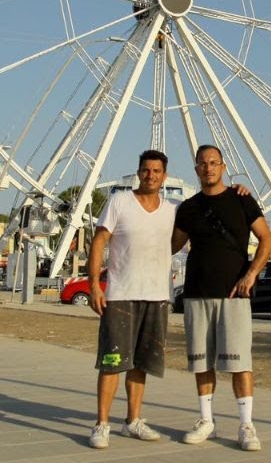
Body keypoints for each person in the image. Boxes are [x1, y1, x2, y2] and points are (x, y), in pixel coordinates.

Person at [172, 144, 271, 452]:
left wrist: (251, 274)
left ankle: (246, 424)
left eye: (214, 163)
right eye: (203, 164)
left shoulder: (241, 200)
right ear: (196, 169)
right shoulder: (188, 208)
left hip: (233, 295)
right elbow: (171, 245)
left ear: (223, 166)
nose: (208, 168)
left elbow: (267, 239)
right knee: (201, 361)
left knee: (240, 361)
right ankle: (207, 420)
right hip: (197, 292)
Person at [86, 150, 175, 449]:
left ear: (164, 176)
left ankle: (133, 420)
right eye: (146, 170)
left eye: (157, 171)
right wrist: (94, 285)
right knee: (111, 361)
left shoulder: (172, 210)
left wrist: (240, 192)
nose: (151, 175)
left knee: (141, 364)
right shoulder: (119, 202)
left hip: (157, 296)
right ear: (139, 172)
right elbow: (99, 240)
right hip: (121, 295)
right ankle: (102, 423)